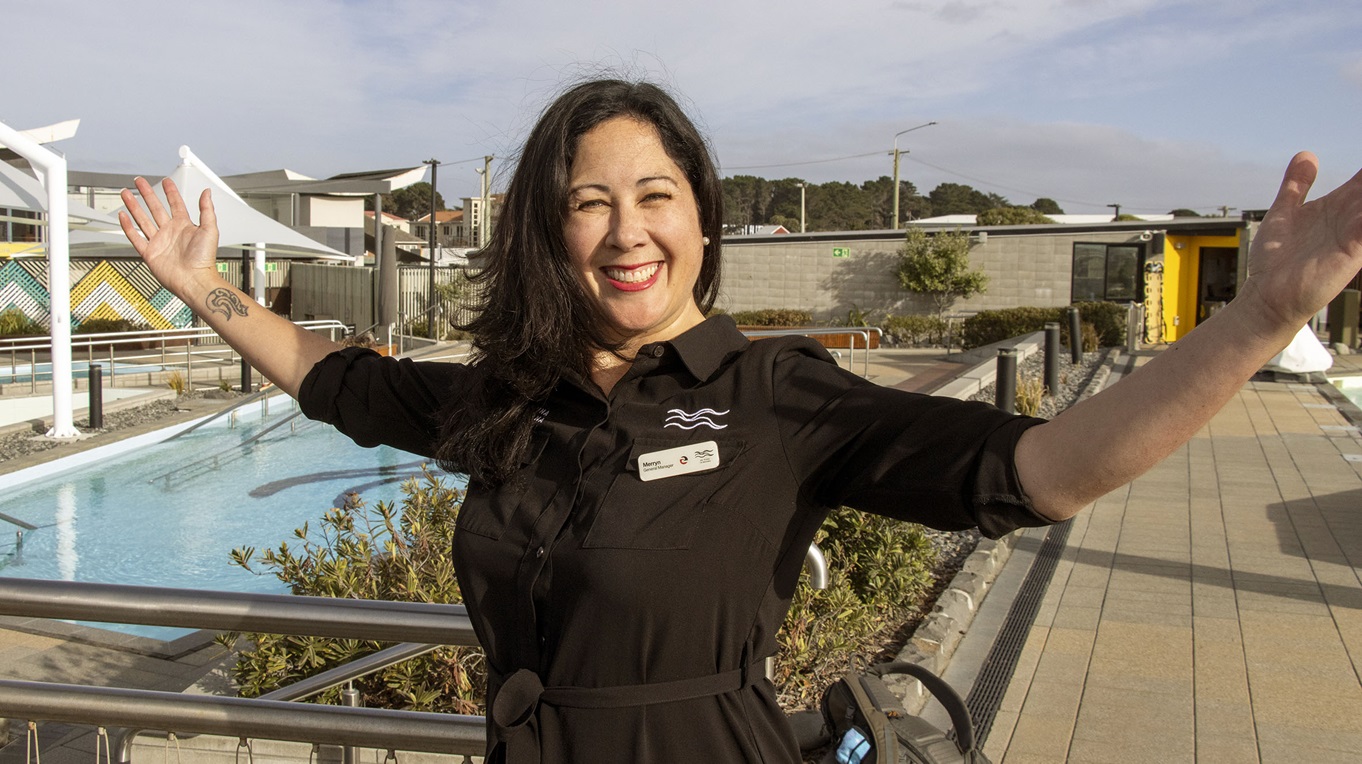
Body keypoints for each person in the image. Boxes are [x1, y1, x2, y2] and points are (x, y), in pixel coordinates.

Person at [119, 79, 1362, 763]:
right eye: (587, 202)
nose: (625, 229)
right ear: (548, 236)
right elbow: (339, 378)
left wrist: (1256, 319)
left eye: (654, 194)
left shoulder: (773, 395)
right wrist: (199, 288)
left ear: (702, 218)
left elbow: (1039, 468)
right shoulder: (507, 396)